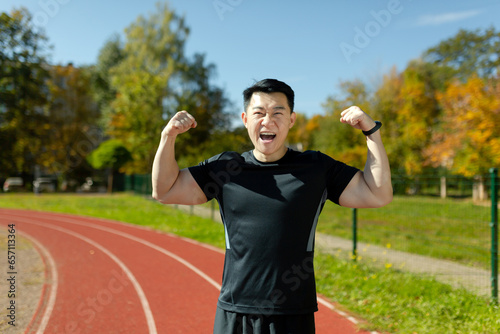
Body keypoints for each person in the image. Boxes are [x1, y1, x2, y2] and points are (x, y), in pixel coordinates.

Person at [152, 78, 392, 334]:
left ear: (291, 120)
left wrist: (371, 132)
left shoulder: (316, 168)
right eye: (259, 113)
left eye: (278, 112)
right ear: (245, 119)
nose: (268, 121)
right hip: (236, 311)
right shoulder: (226, 168)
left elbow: (377, 194)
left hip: (292, 314)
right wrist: (168, 137)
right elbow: (164, 190)